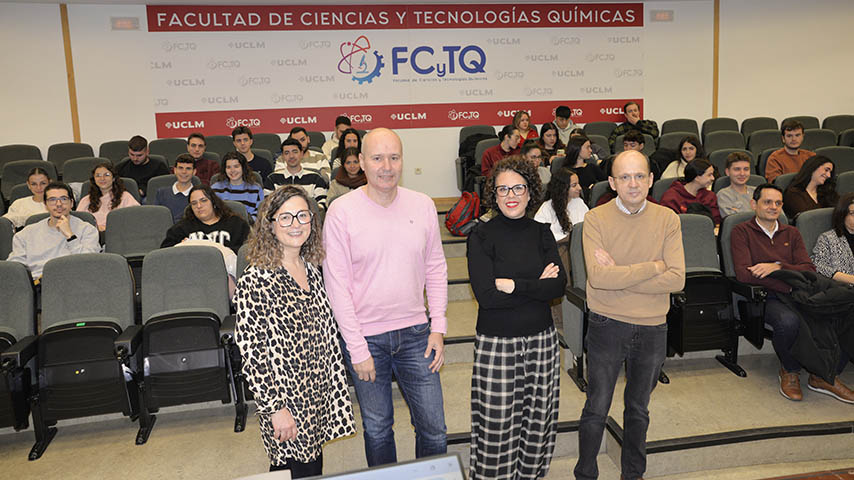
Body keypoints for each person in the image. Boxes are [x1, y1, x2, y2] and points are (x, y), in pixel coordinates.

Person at [322, 128, 448, 467]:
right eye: (377, 158)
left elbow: (435, 267)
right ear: (361, 161)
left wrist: (439, 326)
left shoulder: (421, 205)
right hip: (367, 339)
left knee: (434, 430)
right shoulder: (341, 211)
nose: (387, 166)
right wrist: (356, 347)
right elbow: (337, 285)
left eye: (394, 157)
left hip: (417, 336)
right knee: (378, 429)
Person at [575, 150, 685, 480]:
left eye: (639, 176)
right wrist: (652, 268)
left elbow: (677, 279)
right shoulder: (595, 219)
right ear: (612, 182)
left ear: (651, 180)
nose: (633, 183)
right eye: (624, 177)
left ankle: (633, 475)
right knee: (597, 407)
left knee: (638, 409)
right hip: (607, 324)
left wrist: (622, 274)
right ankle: (585, 474)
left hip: (653, 328)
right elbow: (599, 278)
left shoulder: (668, 219)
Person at [234, 186, 356, 477]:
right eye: (285, 218)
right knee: (294, 468)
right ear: (270, 224)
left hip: (315, 393)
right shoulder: (256, 279)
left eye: (303, 216)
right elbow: (253, 356)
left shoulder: (312, 268)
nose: (296, 224)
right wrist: (276, 409)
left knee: (308, 466)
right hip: (285, 398)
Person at [466, 156, 566, 479]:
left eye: (518, 187)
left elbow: (559, 285)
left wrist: (514, 285)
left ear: (530, 191)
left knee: (538, 421)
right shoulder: (480, 236)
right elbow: (487, 297)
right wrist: (537, 286)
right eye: (503, 189)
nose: (511, 195)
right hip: (497, 345)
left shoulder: (543, 232)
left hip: (542, 342)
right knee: (496, 427)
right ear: (493, 194)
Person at [731, 184, 853, 403]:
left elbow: (807, 268)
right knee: (789, 322)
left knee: (844, 310)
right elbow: (744, 274)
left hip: (799, 292)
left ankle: (824, 374)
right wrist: (786, 284)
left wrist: (778, 267)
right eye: (767, 202)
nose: (773, 207)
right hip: (767, 297)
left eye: (778, 203)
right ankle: (790, 369)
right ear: (754, 204)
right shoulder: (741, 232)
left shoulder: (792, 232)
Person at [7, 182, 100, 280]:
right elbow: (15, 268)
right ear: (45, 205)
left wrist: (70, 236)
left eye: (64, 199)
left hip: (75, 282)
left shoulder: (87, 230)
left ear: (72, 203)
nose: (59, 204)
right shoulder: (26, 234)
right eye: (52, 200)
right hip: (38, 285)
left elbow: (90, 264)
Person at [161, 184, 250, 254]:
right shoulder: (181, 228)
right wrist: (180, 247)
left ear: (213, 202)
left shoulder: (236, 224)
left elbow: (247, 251)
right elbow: (165, 254)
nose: (199, 206)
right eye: (194, 203)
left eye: (203, 200)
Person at [76, 161, 140, 231]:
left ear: (113, 178)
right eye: (98, 175)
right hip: (92, 236)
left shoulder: (125, 197)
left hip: (117, 235)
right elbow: (78, 223)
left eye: (106, 175)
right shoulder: (86, 200)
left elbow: (135, 218)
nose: (102, 178)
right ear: (94, 180)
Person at [269, 139, 328, 210]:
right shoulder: (272, 179)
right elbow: (268, 206)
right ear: (283, 156)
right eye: (287, 153)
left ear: (302, 154)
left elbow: (321, 205)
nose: (291, 156)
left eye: (295, 152)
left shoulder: (316, 178)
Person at [659, 159, 721, 225]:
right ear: (697, 177)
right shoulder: (671, 196)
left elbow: (716, 221)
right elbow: (667, 222)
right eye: (709, 175)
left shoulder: (710, 196)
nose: (713, 178)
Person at [535, 167, 588, 242]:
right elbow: (540, 235)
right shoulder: (547, 208)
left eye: (578, 183)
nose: (579, 188)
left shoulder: (579, 202)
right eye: (574, 185)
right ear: (563, 188)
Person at [812, 193, 854, 284]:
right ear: (842, 214)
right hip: (842, 289)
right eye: (853, 213)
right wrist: (849, 278)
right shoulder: (827, 238)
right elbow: (818, 266)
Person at [211, 152, 265, 220]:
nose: (232, 170)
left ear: (243, 168)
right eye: (228, 167)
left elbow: (260, 214)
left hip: (247, 226)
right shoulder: (215, 188)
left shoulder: (256, 188)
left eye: (236, 166)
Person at [783, 155, 837, 219]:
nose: (829, 175)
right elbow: (808, 218)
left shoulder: (828, 192)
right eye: (826, 170)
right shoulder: (793, 193)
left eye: (830, 172)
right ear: (813, 167)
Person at [115, 135, 169, 199]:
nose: (135, 158)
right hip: (128, 197)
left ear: (147, 152)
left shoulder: (159, 166)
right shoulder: (122, 167)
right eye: (132, 154)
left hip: (150, 198)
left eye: (139, 155)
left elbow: (164, 187)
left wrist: (144, 191)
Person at [561, 136, 606, 201]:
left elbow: (606, 184)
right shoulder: (565, 172)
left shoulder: (592, 167)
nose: (590, 150)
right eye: (587, 147)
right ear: (577, 149)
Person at [154, 154, 196, 223]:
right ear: (175, 170)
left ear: (194, 172)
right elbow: (156, 218)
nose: (184, 172)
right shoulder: (161, 193)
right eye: (180, 168)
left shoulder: (199, 195)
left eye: (188, 168)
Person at [717, 151, 756, 218]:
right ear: (727, 172)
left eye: (746, 169)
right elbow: (734, 221)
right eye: (737, 169)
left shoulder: (758, 191)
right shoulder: (724, 195)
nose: (742, 173)